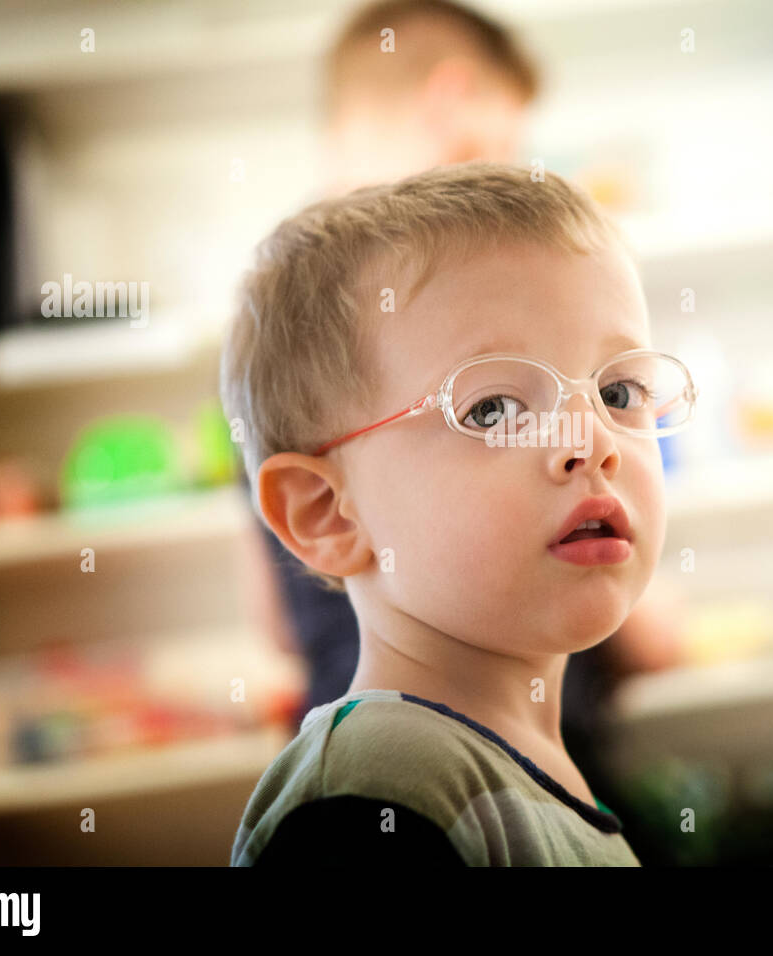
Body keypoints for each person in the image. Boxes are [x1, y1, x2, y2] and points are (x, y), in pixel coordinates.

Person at [240, 0, 687, 836]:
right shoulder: (374, 798)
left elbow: (270, 618)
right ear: (326, 510)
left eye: (620, 393)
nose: (589, 442)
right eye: (491, 408)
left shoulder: (522, 779)